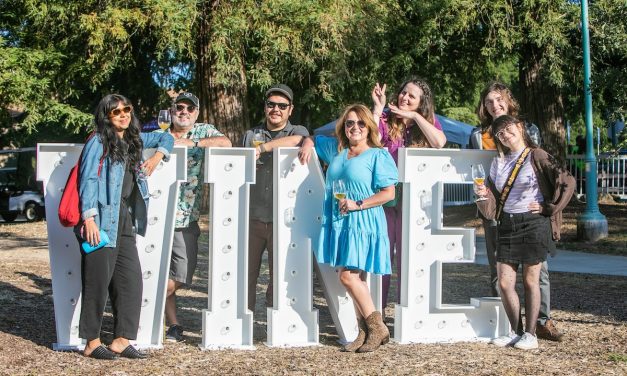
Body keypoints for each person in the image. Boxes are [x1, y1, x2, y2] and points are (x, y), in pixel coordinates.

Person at [77, 94, 174, 359]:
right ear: (106, 116)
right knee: (97, 281)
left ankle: (121, 339)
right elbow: (87, 179)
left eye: (126, 109)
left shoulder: (133, 140)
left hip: (125, 217)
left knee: (130, 280)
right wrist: (89, 218)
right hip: (100, 218)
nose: (123, 114)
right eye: (115, 111)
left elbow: (167, 137)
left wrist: (158, 157)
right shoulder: (98, 141)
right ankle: (92, 342)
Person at [299, 104, 398, 353]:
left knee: (348, 277)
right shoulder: (336, 150)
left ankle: (378, 327)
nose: (355, 127)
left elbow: (389, 193)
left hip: (363, 220)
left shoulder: (377, 155)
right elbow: (309, 137)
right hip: (341, 221)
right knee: (358, 280)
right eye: (350, 123)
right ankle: (363, 332)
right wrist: (308, 143)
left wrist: (358, 204)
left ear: (369, 127)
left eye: (361, 123)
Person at [473, 81, 564, 342]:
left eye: (499, 99)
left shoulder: (527, 127)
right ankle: (510, 325)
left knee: (537, 272)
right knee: (500, 271)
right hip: (497, 209)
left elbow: (543, 167)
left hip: (530, 212)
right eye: (489, 102)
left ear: (508, 101)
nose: (495, 105)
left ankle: (542, 321)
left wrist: (549, 209)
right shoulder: (479, 134)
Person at [160, 92, 232, 342]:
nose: (184, 112)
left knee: (182, 272)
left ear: (197, 113)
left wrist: (193, 144)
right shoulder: (160, 133)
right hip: (156, 215)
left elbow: (226, 143)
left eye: (190, 108)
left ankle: (144, 301)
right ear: (171, 110)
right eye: (179, 107)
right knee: (156, 268)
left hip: (186, 217)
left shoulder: (202, 131)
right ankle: (174, 325)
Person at [371, 77, 447, 308]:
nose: (404, 97)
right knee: (383, 254)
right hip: (386, 196)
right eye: (403, 93)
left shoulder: (426, 123)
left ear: (421, 103)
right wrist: (377, 108)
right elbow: (370, 138)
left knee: (409, 255)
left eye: (411, 96)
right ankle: (378, 312)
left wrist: (415, 117)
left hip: (415, 201)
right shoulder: (385, 119)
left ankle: (410, 310)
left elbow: (439, 142)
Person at [241, 84, 309, 311]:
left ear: (290, 109)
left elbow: (300, 140)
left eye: (282, 105)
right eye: (271, 104)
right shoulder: (251, 135)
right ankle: (244, 323)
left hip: (284, 222)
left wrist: (265, 148)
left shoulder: (296, 131)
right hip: (253, 218)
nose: (276, 109)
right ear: (265, 107)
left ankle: (274, 322)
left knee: (280, 276)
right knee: (246, 276)